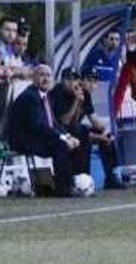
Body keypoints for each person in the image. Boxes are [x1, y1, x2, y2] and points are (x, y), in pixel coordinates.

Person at [6, 64, 80, 197]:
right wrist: (62, 139)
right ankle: (61, 189)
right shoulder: (31, 97)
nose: (45, 79)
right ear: (33, 78)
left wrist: (68, 136)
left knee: (74, 141)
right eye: (42, 75)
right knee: (60, 146)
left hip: (33, 137)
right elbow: (38, 125)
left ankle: (71, 183)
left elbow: (53, 122)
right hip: (22, 141)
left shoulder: (43, 96)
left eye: (48, 76)